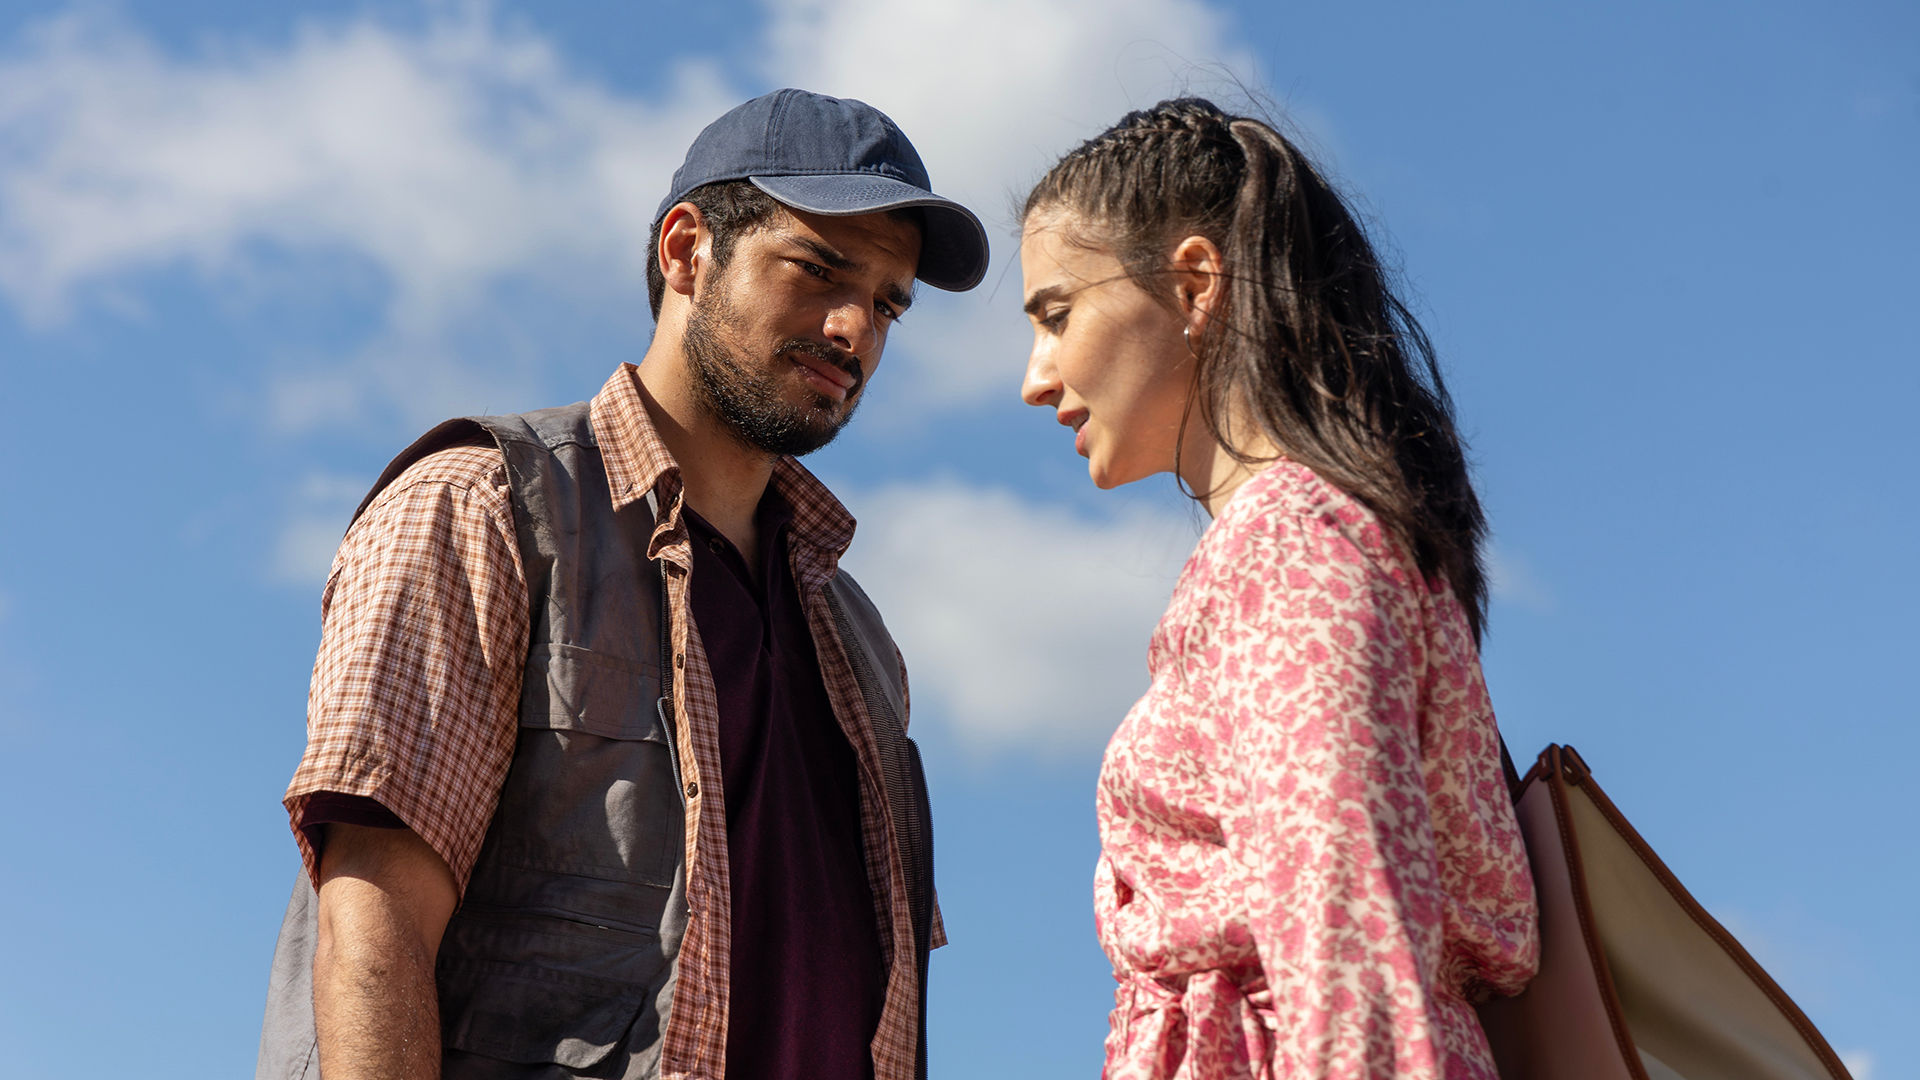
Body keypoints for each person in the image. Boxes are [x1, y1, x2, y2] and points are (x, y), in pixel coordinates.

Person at [256, 88, 988, 1080]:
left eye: (889, 304)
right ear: (688, 251)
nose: (854, 328)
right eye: (819, 269)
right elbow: (372, 931)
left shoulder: (859, 644)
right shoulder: (487, 510)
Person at [1016, 98, 1539, 1079]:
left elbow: (1350, 938)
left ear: (1194, 283)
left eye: (1057, 315)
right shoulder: (1317, 535)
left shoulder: (1291, 549)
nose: (1035, 377)